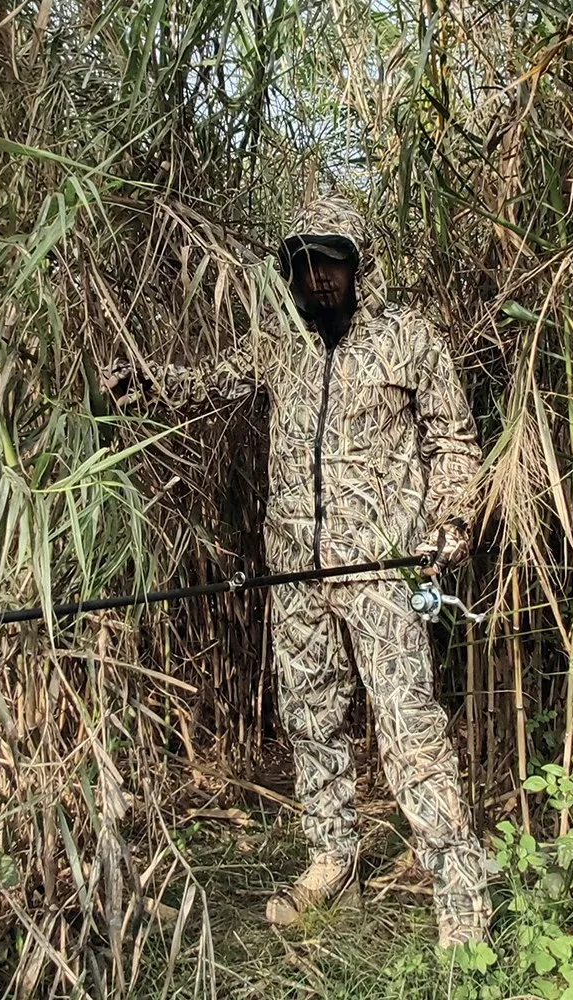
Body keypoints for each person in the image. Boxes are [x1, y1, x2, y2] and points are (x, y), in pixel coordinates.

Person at [101, 195, 491, 948]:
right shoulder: (280, 343)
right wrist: (132, 382)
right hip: (294, 571)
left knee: (411, 730)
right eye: (304, 261)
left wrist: (452, 522)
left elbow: (453, 440)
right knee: (313, 717)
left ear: (357, 263)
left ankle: (462, 899)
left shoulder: (406, 338)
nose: (318, 278)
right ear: (290, 268)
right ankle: (331, 856)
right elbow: (207, 382)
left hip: (382, 569)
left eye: (332, 260)